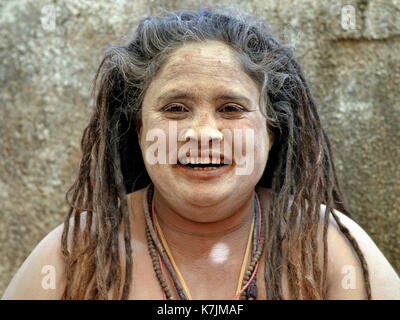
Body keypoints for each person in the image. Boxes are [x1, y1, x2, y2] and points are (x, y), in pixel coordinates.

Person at [2, 7, 400, 300]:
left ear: (273, 131)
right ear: (139, 130)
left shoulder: (323, 246)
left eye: (231, 108)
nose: (204, 133)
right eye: (175, 109)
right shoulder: (79, 254)